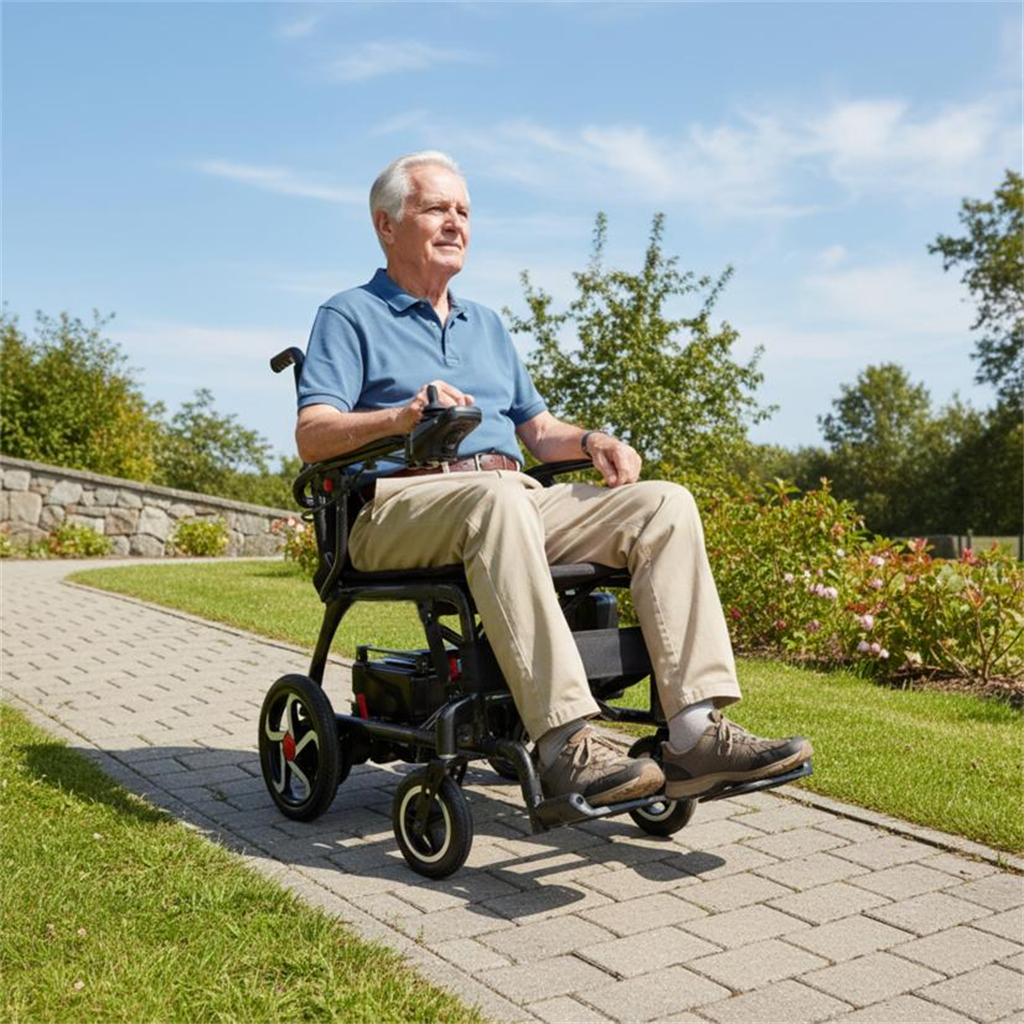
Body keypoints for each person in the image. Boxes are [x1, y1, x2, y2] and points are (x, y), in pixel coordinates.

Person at [296, 151, 812, 808]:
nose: (455, 223)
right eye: (436, 209)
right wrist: (401, 417)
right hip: (395, 508)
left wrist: (594, 440)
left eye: (463, 211)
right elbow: (313, 433)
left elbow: (537, 432)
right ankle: (566, 742)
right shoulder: (350, 314)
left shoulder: (486, 325)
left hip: (507, 498)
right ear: (387, 225)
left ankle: (692, 738)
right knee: (498, 501)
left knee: (664, 506)